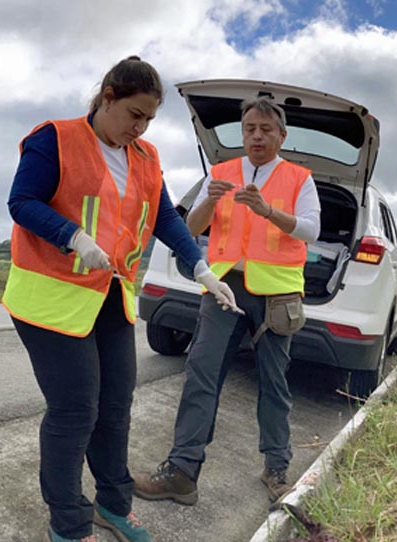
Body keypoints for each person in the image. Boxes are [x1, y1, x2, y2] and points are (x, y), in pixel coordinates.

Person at [3, 56, 239, 542]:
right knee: (75, 409)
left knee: (116, 406)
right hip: (50, 297)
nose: (140, 128)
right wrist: (74, 237)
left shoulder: (146, 157)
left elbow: (164, 218)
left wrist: (200, 267)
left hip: (109, 297)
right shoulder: (55, 139)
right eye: (134, 114)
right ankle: (67, 524)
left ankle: (113, 501)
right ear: (107, 97)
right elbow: (22, 202)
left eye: (150, 120)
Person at [133, 96, 321, 506]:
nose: (256, 135)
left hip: (276, 294)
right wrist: (210, 201)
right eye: (250, 128)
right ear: (243, 132)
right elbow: (189, 228)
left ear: (281, 136)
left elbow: (310, 229)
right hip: (223, 289)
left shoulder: (298, 178)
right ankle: (182, 471)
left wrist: (268, 210)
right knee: (201, 373)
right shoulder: (220, 173)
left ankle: (276, 469)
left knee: (274, 383)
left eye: (266, 129)